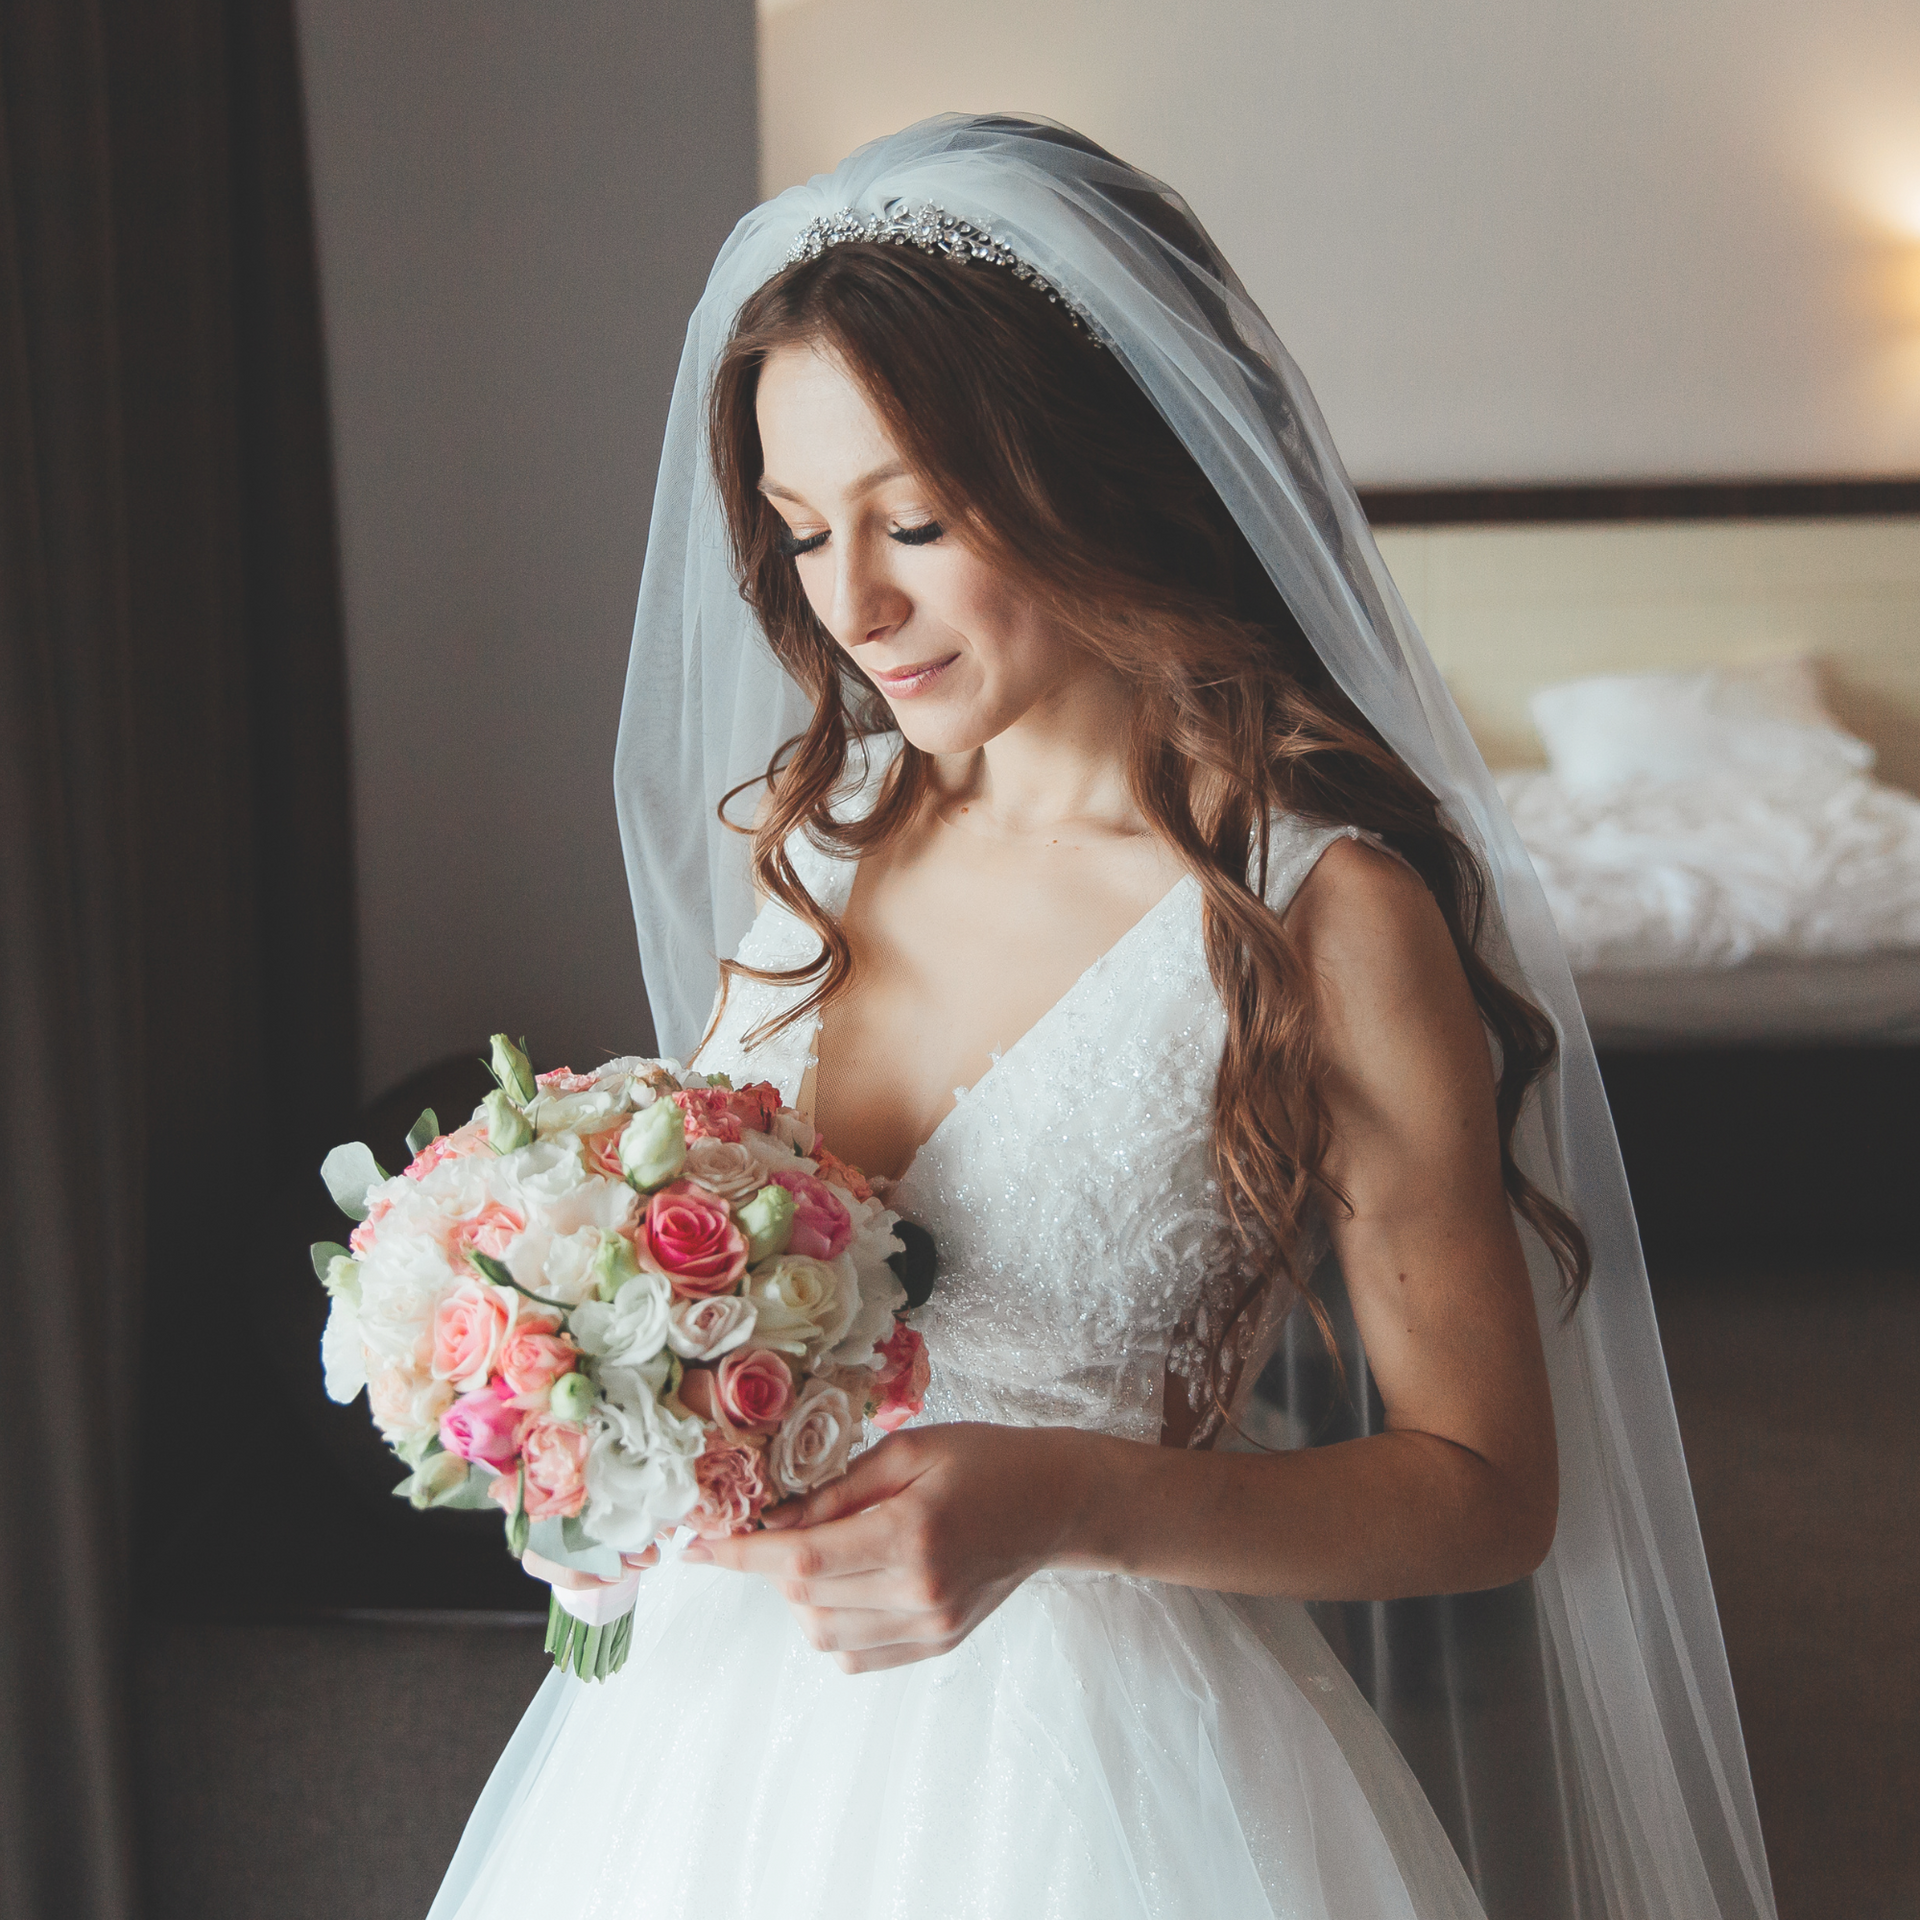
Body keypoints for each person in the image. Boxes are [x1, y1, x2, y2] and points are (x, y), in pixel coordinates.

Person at [426, 116, 1777, 1920]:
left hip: (1101, 1776)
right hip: (704, 1743)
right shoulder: (817, 836)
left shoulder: (1314, 913)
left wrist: (1068, 1502)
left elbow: (1483, 1490)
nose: (855, 606)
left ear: (1090, 475)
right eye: (806, 528)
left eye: (915, 519)